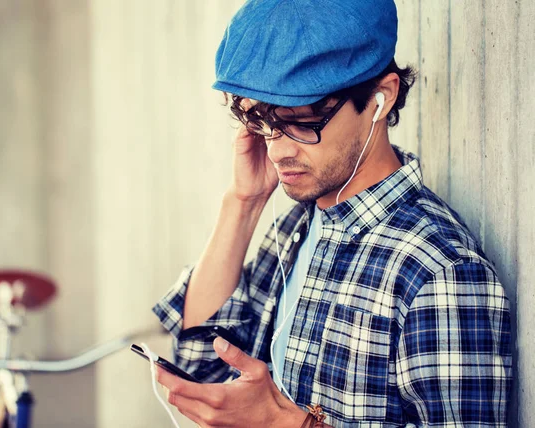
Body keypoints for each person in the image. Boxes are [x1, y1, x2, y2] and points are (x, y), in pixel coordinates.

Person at [153, 0, 512, 426]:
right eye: (261, 120)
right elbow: (201, 372)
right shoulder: (296, 226)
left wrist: (291, 424)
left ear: (381, 98)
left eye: (303, 121)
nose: (278, 148)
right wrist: (243, 203)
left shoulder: (438, 271)